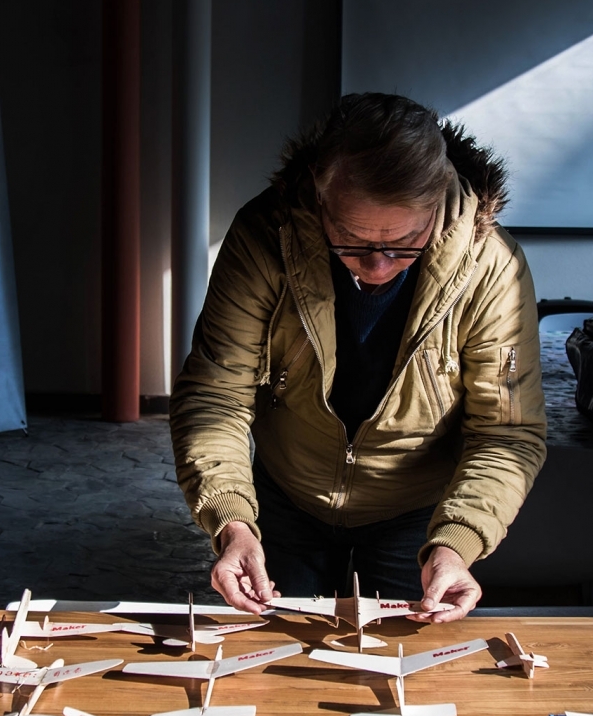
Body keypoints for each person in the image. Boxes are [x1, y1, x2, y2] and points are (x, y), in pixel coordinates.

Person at [169, 92, 546, 623]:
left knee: (402, 671)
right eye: (350, 240)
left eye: (405, 242)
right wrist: (232, 520)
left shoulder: (493, 267)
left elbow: (506, 432)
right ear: (321, 198)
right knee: (276, 659)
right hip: (287, 493)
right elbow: (214, 396)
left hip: (416, 510)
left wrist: (457, 544)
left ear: (436, 207)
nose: (375, 267)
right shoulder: (265, 238)